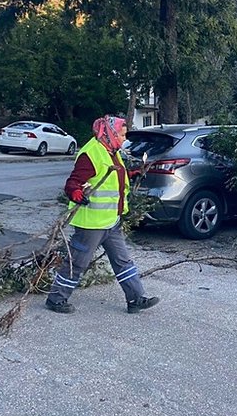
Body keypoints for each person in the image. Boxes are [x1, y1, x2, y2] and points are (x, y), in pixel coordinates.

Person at [45, 115, 159, 314]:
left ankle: (136, 299)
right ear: (110, 133)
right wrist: (76, 193)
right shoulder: (91, 153)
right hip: (91, 224)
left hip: (111, 221)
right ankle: (56, 299)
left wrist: (133, 174)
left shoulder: (111, 150)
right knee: (78, 262)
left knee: (123, 261)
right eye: (122, 135)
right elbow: (72, 182)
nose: (125, 139)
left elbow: (114, 177)